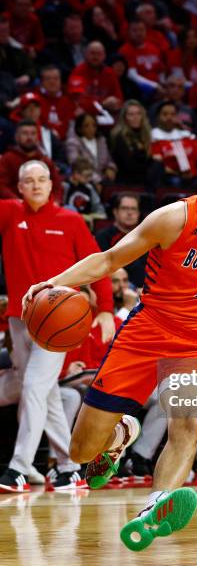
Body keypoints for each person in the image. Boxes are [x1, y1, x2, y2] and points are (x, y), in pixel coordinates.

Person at [22, 131, 197, 551]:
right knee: (82, 450)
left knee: (190, 423)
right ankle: (119, 435)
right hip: (146, 333)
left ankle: (155, 504)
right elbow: (108, 260)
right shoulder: (175, 218)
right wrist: (52, 282)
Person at [0, 160, 114, 493]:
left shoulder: (71, 220)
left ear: (52, 185)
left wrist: (105, 309)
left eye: (41, 180)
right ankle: (70, 469)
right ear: (19, 187)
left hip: (59, 322)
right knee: (45, 393)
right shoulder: (9, 214)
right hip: (20, 321)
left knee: (35, 386)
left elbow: (99, 265)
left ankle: (19, 468)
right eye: (28, 181)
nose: (35, 185)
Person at [0, 120, 62, 202]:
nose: (29, 137)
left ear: (37, 137)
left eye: (33, 134)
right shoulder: (7, 159)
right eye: (25, 133)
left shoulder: (45, 160)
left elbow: (57, 187)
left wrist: (55, 202)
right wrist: (16, 201)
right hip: (15, 207)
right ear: (16, 137)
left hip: (43, 208)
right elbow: (2, 185)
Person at [95, 192, 147, 288]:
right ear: (115, 212)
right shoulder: (102, 237)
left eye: (133, 209)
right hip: (113, 288)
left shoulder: (148, 238)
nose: (130, 213)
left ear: (139, 213)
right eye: (124, 208)